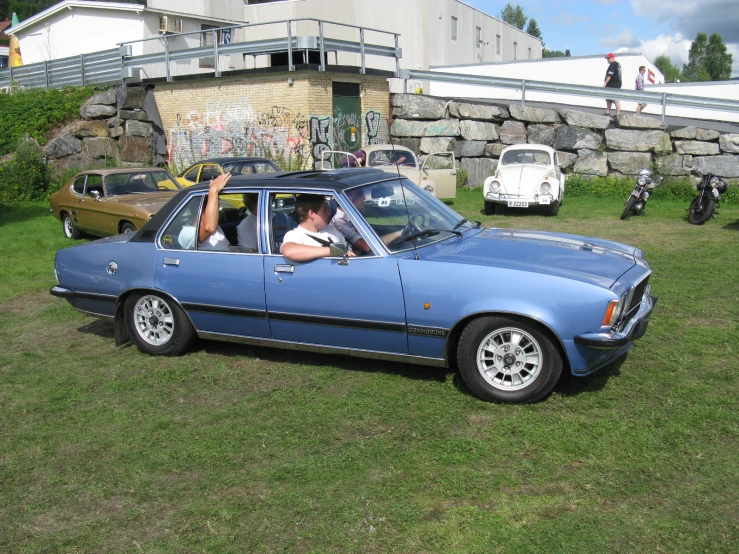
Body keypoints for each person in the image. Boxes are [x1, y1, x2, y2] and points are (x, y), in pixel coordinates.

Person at [280, 193, 357, 262]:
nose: (328, 213)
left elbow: (350, 254)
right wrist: (334, 250)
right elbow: (289, 251)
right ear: (311, 214)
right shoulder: (295, 235)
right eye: (324, 210)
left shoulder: (331, 229)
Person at [178, 172, 232, 251]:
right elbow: (209, 228)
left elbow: (229, 248)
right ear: (204, 210)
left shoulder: (216, 227)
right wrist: (213, 190)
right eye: (217, 209)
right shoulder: (186, 233)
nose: (218, 213)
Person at [331, 189, 372, 255]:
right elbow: (366, 246)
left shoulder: (354, 215)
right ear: (349, 199)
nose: (364, 197)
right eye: (359, 195)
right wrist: (394, 234)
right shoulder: (339, 222)